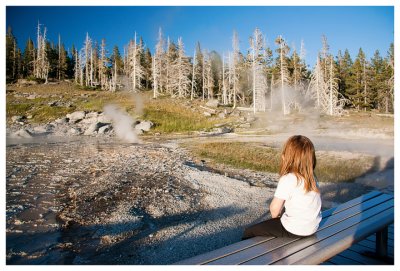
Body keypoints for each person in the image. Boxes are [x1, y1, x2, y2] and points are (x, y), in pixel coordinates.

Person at [242, 135, 322, 240]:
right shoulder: (312, 178)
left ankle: (245, 254)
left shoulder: (289, 178)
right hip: (312, 227)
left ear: (287, 157)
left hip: (294, 230)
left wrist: (275, 220)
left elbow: (274, 208)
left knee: (249, 231)